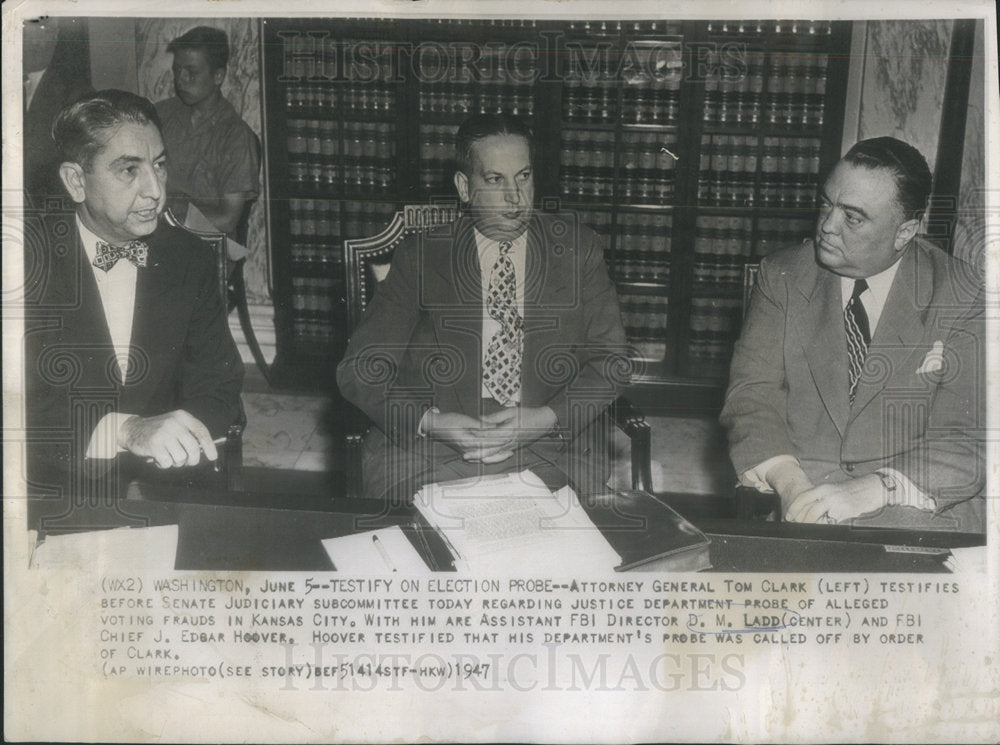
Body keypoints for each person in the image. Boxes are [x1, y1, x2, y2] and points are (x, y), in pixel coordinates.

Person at [337, 113, 630, 501]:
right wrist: (432, 423)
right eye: (495, 180)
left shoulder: (577, 250)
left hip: (550, 447)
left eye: (523, 176)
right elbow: (360, 370)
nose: (515, 197)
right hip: (435, 453)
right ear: (464, 187)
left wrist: (546, 419)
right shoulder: (423, 257)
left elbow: (612, 362)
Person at [721, 136, 985, 532]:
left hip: (915, 509)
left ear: (904, 231)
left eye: (853, 217)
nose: (827, 226)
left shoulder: (964, 294)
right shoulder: (783, 276)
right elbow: (751, 397)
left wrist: (869, 490)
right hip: (802, 496)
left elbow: (967, 441)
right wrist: (790, 485)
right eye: (826, 204)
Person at [24, 90, 244, 512]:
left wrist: (179, 443)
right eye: (129, 170)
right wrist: (124, 431)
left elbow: (218, 385)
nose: (155, 191)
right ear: (76, 181)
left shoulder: (188, 259)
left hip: (167, 488)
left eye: (159, 165)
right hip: (49, 489)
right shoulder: (22, 265)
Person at [155, 26, 259, 257]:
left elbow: (227, 220)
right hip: (158, 237)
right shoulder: (160, 115)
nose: (181, 80)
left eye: (191, 72)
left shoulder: (235, 136)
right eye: (177, 70)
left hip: (208, 247)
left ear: (218, 76)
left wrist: (166, 221)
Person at [23, 17, 93, 207]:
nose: (36, 43)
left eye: (45, 33)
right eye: (27, 34)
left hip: (48, 204)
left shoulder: (76, 91)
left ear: (55, 37)